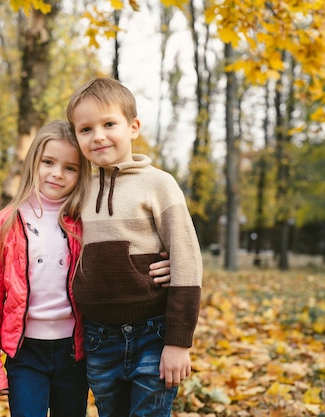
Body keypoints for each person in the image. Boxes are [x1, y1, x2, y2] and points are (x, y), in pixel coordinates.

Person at [0, 120, 172, 417]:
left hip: (76, 351)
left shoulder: (86, 220)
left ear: (82, 174)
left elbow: (122, 252)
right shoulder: (2, 225)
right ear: (33, 162)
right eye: (48, 162)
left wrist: (163, 261)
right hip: (24, 353)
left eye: (70, 167)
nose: (57, 174)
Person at [66, 77, 203, 417]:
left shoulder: (158, 184)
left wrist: (178, 341)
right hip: (98, 338)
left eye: (109, 124)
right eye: (85, 129)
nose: (97, 136)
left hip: (153, 334)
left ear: (133, 127)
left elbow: (187, 260)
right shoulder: (77, 189)